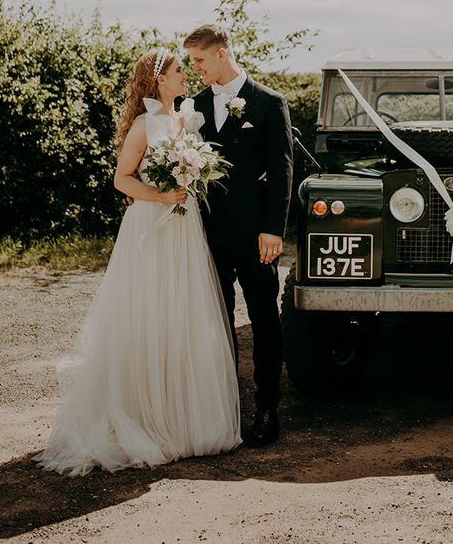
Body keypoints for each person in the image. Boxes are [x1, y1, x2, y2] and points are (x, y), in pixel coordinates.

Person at [37, 48, 241, 475]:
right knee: (147, 312)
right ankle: (142, 417)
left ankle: (180, 419)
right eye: (180, 70)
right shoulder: (144, 124)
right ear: (160, 80)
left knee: (180, 316)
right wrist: (162, 194)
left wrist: (191, 178)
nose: (186, 75)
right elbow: (122, 178)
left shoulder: (186, 118)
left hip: (184, 228)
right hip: (151, 225)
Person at [185, 24, 293, 447]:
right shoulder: (191, 106)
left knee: (265, 319)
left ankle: (267, 407)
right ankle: (224, 407)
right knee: (216, 320)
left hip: (255, 235)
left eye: (199, 60)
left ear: (223, 54)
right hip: (207, 234)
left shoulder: (269, 103)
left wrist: (273, 229)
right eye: (192, 61)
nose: (195, 69)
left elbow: (282, 171)